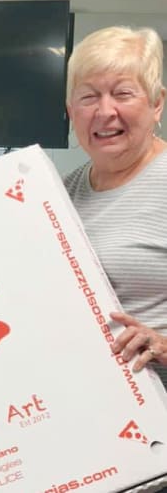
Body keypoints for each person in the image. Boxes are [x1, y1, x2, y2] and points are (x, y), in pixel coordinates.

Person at [65, 28, 167, 387]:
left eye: (123, 93)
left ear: (157, 103)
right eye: (88, 97)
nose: (105, 111)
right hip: (90, 407)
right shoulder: (61, 192)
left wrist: (164, 346)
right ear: (70, 111)